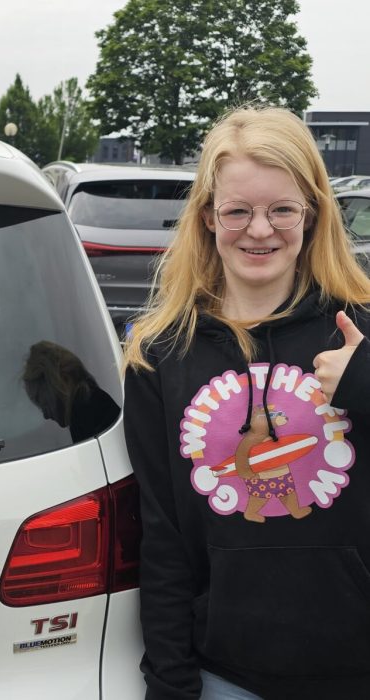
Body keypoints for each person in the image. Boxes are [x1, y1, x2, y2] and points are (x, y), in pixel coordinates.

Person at [123, 105, 370, 700]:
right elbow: (161, 540)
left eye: (282, 209)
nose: (260, 231)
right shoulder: (161, 352)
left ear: (311, 214)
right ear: (208, 216)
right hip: (225, 675)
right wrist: (170, 679)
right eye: (238, 210)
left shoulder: (357, 330)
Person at [22, 340, 119, 442]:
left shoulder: (88, 421)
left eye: (43, 404)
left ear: (57, 386)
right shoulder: (93, 407)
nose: (45, 416)